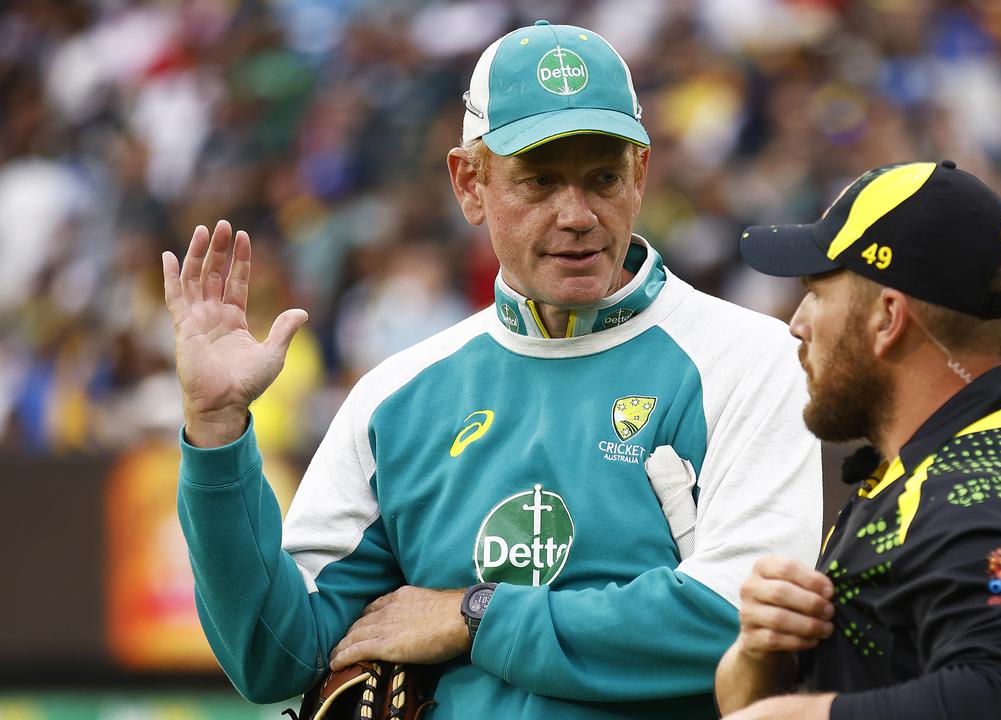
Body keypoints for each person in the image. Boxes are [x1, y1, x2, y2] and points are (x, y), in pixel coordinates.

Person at [163, 21, 821, 720]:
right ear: (468, 184)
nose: (576, 215)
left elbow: (747, 622)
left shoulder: (749, 359)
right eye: (539, 181)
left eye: (602, 178)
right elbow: (276, 655)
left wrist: (475, 614)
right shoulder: (396, 396)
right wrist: (216, 430)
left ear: (640, 176)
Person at [715, 160, 1001, 719]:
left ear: (887, 318)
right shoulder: (942, 469)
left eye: (817, 292)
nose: (797, 323)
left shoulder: (982, 494)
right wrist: (761, 653)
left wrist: (803, 717)